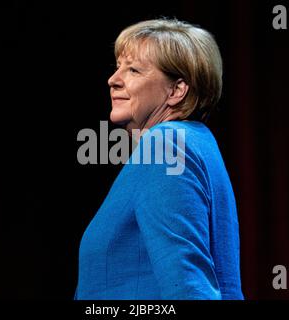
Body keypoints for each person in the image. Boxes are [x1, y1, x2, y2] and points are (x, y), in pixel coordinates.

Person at [74, 18, 243, 300]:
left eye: (134, 70)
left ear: (176, 90)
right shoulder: (197, 141)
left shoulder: (166, 144)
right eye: (118, 67)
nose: (113, 80)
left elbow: (188, 287)